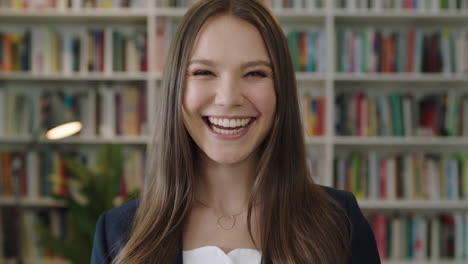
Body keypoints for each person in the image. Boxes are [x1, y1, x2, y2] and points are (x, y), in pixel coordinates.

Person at [91, 0, 381, 263]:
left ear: (282, 91)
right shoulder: (117, 233)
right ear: (176, 89)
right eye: (204, 72)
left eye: (255, 73)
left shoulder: (341, 223)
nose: (228, 98)